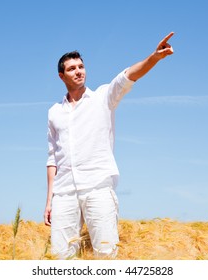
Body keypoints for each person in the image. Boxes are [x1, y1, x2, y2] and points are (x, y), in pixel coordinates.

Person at [44, 32, 174, 259]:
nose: (79, 71)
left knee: (106, 255)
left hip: (98, 188)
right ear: (61, 76)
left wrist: (154, 58)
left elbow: (128, 76)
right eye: (72, 68)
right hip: (63, 194)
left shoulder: (103, 97)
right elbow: (53, 157)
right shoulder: (54, 112)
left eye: (81, 66)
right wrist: (50, 200)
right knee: (60, 258)